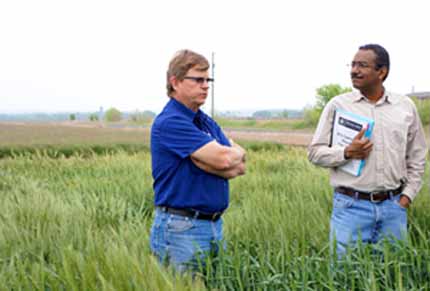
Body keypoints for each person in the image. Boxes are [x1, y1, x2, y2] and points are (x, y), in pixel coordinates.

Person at [308, 44, 427, 257]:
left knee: (392, 275)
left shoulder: (405, 107)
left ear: (382, 72)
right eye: (353, 64)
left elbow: (417, 156)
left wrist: (406, 197)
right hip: (350, 207)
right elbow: (315, 153)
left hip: (394, 207)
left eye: (362, 65)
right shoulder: (338, 105)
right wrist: (346, 153)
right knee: (345, 277)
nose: (354, 70)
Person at [149, 49, 246, 272]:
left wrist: (222, 157)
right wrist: (222, 156)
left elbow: (237, 166)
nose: (206, 86)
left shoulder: (204, 122)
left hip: (213, 225)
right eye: (198, 80)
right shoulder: (171, 122)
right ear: (175, 82)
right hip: (181, 228)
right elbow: (224, 160)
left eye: (208, 80)